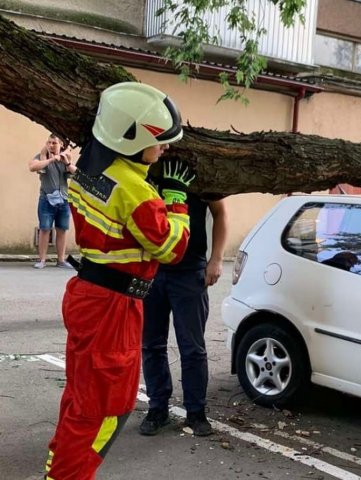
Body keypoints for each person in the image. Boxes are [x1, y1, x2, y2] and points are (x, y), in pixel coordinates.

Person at [44, 82, 194, 480]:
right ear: (130, 138)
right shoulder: (137, 193)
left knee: (80, 399)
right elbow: (172, 248)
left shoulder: (91, 166)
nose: (166, 149)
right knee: (107, 408)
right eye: (160, 141)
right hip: (114, 308)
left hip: (90, 295)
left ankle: (58, 468)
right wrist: (177, 201)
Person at [139, 180, 227, 437]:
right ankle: (157, 409)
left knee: (192, 347)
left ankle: (196, 412)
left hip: (190, 272)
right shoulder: (145, 167)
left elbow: (220, 211)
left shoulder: (197, 169)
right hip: (151, 270)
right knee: (151, 345)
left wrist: (217, 259)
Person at [28, 133, 77, 269]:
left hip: (64, 200)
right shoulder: (41, 157)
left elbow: (76, 173)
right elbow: (32, 167)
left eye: (54, 143)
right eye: (49, 142)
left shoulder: (65, 158)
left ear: (60, 145)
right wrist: (51, 160)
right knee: (45, 229)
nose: (51, 145)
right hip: (46, 199)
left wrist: (66, 161)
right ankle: (42, 260)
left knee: (62, 230)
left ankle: (61, 260)